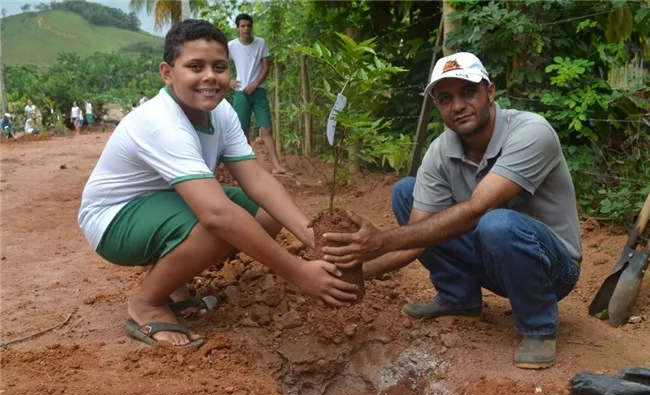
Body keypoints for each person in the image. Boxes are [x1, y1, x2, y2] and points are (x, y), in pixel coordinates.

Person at [78, 20, 357, 349]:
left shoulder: (221, 111)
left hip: (167, 201)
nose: (210, 76)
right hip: (115, 220)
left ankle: (173, 275)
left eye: (219, 66)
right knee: (217, 226)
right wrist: (299, 273)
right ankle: (148, 302)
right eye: (195, 66)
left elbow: (258, 181)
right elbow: (217, 215)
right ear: (167, 73)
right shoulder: (161, 122)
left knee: (265, 216)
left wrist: (311, 237)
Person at [321, 52, 582, 370]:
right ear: (437, 107)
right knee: (406, 191)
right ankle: (459, 298)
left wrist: (380, 241)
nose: (457, 106)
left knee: (495, 223)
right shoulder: (440, 151)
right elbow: (417, 237)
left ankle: (538, 327)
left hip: (552, 269)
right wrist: (351, 274)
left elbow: (477, 209)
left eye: (468, 92)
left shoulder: (531, 132)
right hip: (492, 258)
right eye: (445, 98)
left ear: (490, 91)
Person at [228, 13, 291, 177]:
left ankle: (277, 166)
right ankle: (249, 169)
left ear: (252, 27)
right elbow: (220, 64)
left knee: (267, 128)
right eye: (242, 26)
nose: (246, 29)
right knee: (242, 131)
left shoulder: (260, 43)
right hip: (240, 92)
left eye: (248, 25)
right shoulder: (231, 46)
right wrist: (229, 81)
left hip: (259, 91)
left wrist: (255, 84)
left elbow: (266, 67)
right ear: (237, 28)